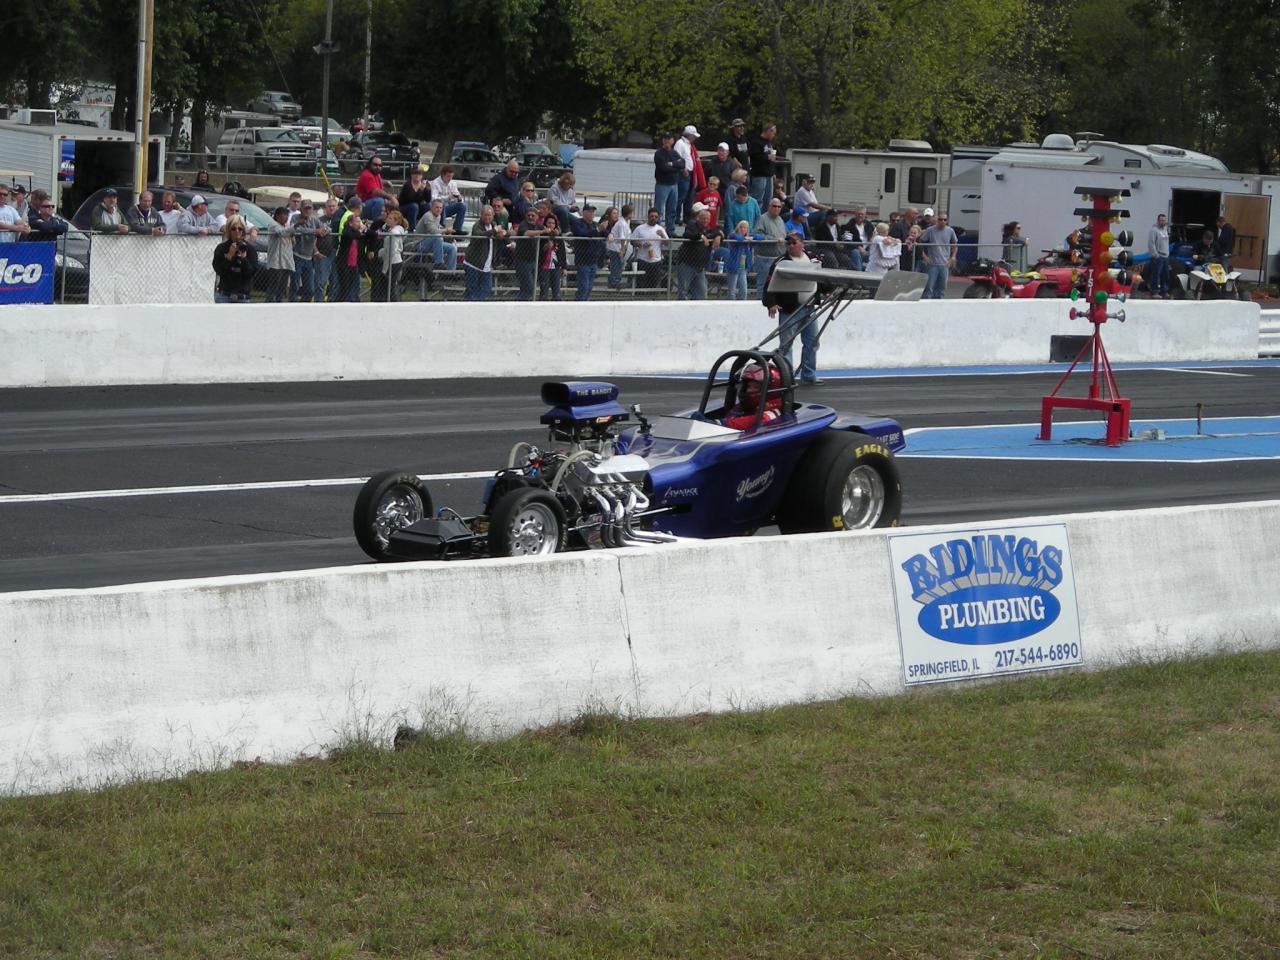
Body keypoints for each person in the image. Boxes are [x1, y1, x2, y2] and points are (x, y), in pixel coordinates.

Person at [763, 234, 823, 385]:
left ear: (802, 243)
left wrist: (826, 290)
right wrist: (771, 303)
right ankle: (787, 377)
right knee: (786, 345)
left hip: (810, 307)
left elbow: (821, 277)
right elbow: (769, 282)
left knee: (812, 342)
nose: (790, 246)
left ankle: (809, 374)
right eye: (788, 243)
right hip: (789, 309)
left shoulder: (813, 258)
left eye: (793, 243)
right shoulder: (781, 262)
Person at [674, 205, 721, 300]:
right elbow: (688, 234)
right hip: (687, 264)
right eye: (703, 218)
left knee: (702, 292)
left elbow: (718, 232)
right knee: (683, 291)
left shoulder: (708, 229)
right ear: (698, 218)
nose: (706, 220)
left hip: (700, 266)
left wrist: (719, 236)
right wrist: (701, 236)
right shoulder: (692, 225)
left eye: (707, 219)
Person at [719, 362, 783, 430]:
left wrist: (721, 423)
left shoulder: (774, 411)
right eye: (748, 386)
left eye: (756, 387)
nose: (749, 390)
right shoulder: (744, 406)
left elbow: (756, 420)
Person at [290, 200, 329, 302]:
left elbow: (327, 228)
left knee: (310, 289)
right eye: (305, 208)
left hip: (308, 258)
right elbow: (297, 230)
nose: (307, 210)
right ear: (301, 209)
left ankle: (303, 305)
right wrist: (315, 231)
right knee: (294, 285)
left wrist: (324, 231)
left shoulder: (314, 220)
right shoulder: (295, 218)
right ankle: (292, 304)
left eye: (309, 208)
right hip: (297, 256)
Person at [464, 203, 504, 301]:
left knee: (487, 288)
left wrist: (504, 233)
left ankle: (474, 303)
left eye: (489, 215)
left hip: (486, 265)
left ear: (493, 215)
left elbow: (501, 233)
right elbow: (480, 235)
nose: (487, 217)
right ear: (481, 215)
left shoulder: (493, 224)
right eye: (485, 215)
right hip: (473, 264)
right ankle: (470, 304)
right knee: (472, 289)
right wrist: (494, 231)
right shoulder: (477, 225)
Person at [212, 216, 254, 303]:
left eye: (240, 229)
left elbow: (251, 273)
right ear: (229, 230)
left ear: (243, 230)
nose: (237, 231)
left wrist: (244, 258)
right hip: (224, 295)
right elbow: (219, 271)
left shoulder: (249, 249)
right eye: (233, 229)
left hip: (243, 296)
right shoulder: (222, 248)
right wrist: (229, 256)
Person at [752, 197, 788, 298]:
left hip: (778, 258)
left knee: (777, 285)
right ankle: (759, 302)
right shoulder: (763, 218)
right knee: (763, 284)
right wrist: (773, 239)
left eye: (779, 207)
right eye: (774, 206)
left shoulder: (780, 220)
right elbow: (757, 235)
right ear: (769, 207)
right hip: (765, 258)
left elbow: (785, 234)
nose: (776, 208)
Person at [569, 203, 605, 300]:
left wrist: (610, 234)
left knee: (589, 287)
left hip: (593, 259)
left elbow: (604, 232)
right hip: (583, 260)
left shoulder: (594, 224)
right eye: (589, 211)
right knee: (583, 286)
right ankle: (580, 302)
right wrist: (597, 230)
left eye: (593, 211)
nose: (591, 213)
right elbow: (582, 234)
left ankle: (585, 301)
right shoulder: (578, 223)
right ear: (584, 213)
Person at [335, 196, 367, 302]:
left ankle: (349, 301)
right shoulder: (350, 216)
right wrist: (361, 230)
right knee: (346, 286)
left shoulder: (349, 215)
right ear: (357, 207)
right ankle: (347, 302)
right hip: (347, 254)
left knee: (349, 284)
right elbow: (357, 231)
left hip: (352, 255)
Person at [414, 197, 460, 271]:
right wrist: (446, 230)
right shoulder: (428, 216)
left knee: (452, 248)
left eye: (440, 208)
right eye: (437, 207)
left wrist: (447, 232)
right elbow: (433, 231)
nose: (439, 209)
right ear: (431, 208)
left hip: (433, 244)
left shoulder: (438, 216)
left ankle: (451, 272)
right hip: (420, 244)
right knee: (437, 236)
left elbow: (438, 228)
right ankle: (439, 263)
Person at [512, 206, 548, 300]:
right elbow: (526, 233)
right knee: (529, 286)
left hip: (533, 260)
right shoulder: (523, 224)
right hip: (522, 260)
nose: (530, 217)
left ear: (537, 216)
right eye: (528, 215)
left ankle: (521, 303)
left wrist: (553, 232)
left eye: (533, 215)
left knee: (527, 287)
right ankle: (520, 302)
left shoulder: (538, 226)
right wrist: (542, 231)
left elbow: (550, 230)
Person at [919, 212, 957, 298]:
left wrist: (953, 257)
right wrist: (925, 256)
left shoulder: (950, 231)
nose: (942, 221)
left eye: (945, 220)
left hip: (945, 264)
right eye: (940, 219)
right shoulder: (930, 230)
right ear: (937, 220)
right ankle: (927, 303)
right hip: (932, 264)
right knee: (929, 287)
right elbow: (920, 243)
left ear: (947, 221)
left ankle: (939, 303)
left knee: (941, 288)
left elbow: (955, 244)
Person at [630, 207, 669, 290]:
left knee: (654, 284)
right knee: (641, 284)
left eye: (656, 217)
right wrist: (641, 244)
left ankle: (652, 297)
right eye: (652, 216)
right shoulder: (640, 228)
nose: (654, 218)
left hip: (656, 261)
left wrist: (662, 235)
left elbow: (667, 243)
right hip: (642, 260)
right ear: (648, 216)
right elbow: (632, 241)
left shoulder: (661, 229)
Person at [653, 131, 684, 234]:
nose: (667, 141)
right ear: (663, 140)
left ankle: (670, 231)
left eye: (669, 139)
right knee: (659, 210)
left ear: (672, 141)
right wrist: (676, 166)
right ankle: (656, 230)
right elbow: (663, 168)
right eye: (665, 139)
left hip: (674, 185)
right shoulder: (659, 153)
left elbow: (682, 164)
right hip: (662, 184)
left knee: (672, 210)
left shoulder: (674, 153)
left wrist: (671, 164)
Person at [265, 206, 297, 303]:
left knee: (282, 288)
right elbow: (281, 233)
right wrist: (294, 226)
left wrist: (292, 233)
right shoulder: (273, 225)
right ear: (277, 216)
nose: (286, 217)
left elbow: (293, 243)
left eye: (287, 215)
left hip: (286, 262)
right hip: (276, 263)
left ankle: (279, 304)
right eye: (284, 215)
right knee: (274, 287)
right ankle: (270, 304)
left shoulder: (286, 227)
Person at [674, 125, 705, 223]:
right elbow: (677, 158)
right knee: (681, 196)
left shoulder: (689, 145)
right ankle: (676, 217)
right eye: (693, 136)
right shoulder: (680, 143)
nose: (695, 138)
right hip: (683, 174)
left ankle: (687, 218)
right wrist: (683, 169)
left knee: (689, 197)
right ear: (689, 135)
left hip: (691, 174)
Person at [379, 207, 409, 302]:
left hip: (393, 261)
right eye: (388, 217)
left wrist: (382, 254)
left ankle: (393, 302)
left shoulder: (394, 233)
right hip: (393, 260)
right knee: (388, 284)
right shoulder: (393, 230)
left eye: (390, 218)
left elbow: (393, 250)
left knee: (390, 285)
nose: (388, 220)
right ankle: (390, 300)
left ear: (396, 222)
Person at [536, 211, 567, 300]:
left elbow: (562, 252)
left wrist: (564, 267)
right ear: (545, 223)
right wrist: (545, 247)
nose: (551, 225)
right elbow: (538, 251)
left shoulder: (559, 236)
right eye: (549, 223)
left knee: (556, 291)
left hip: (556, 266)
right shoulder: (541, 235)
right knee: (544, 290)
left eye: (553, 223)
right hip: (544, 265)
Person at [314, 197, 340, 302]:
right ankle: (319, 302)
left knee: (335, 280)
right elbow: (313, 238)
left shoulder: (339, 220)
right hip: (322, 254)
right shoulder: (319, 220)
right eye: (329, 206)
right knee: (320, 281)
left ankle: (331, 301)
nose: (331, 208)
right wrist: (316, 252)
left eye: (333, 206)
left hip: (336, 253)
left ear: (337, 207)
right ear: (325, 208)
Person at [429, 165, 467, 233]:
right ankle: (443, 229)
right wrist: (447, 198)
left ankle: (457, 230)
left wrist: (459, 198)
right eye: (448, 176)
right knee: (441, 204)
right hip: (437, 209)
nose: (450, 178)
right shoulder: (435, 183)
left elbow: (456, 194)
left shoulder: (453, 183)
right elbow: (434, 199)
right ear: (442, 175)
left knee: (463, 206)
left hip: (448, 208)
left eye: (451, 176)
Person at [748, 123, 778, 208]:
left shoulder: (769, 143)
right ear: (768, 131)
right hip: (759, 174)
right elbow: (754, 157)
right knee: (758, 198)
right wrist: (767, 157)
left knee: (768, 199)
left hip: (769, 175)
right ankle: (756, 215)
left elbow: (771, 158)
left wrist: (773, 172)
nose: (774, 135)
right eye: (773, 133)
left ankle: (764, 215)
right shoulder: (756, 142)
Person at [355, 157, 394, 222]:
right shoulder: (367, 175)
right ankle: (376, 225)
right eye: (375, 165)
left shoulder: (376, 174)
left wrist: (385, 182)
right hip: (361, 206)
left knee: (389, 202)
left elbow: (375, 181)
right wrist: (391, 197)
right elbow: (375, 191)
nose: (378, 167)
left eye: (380, 165)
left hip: (369, 204)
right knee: (380, 201)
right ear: (370, 165)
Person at [724, 220, 755, 300]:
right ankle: (730, 305)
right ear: (738, 228)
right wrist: (745, 238)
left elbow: (760, 237)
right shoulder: (733, 235)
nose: (743, 229)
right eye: (741, 227)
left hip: (743, 267)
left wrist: (752, 238)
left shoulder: (748, 238)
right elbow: (737, 238)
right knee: (732, 290)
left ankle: (742, 305)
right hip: (733, 266)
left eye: (745, 228)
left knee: (744, 290)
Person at [606, 203, 633, 289]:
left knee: (619, 265)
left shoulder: (625, 222)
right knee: (616, 265)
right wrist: (622, 250)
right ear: (629, 214)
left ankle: (615, 281)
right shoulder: (622, 224)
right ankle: (614, 282)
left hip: (618, 248)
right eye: (631, 213)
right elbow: (622, 238)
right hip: (615, 248)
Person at [1147, 213, 1171, 299]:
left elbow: (1166, 243)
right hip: (1158, 256)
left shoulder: (1165, 230)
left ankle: (1164, 291)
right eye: (1161, 220)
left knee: (1165, 275)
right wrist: (1155, 255)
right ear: (1158, 221)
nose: (1163, 222)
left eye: (1164, 220)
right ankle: (1155, 292)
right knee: (1156, 275)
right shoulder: (1154, 230)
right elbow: (1151, 243)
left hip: (1165, 257)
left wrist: (1167, 254)